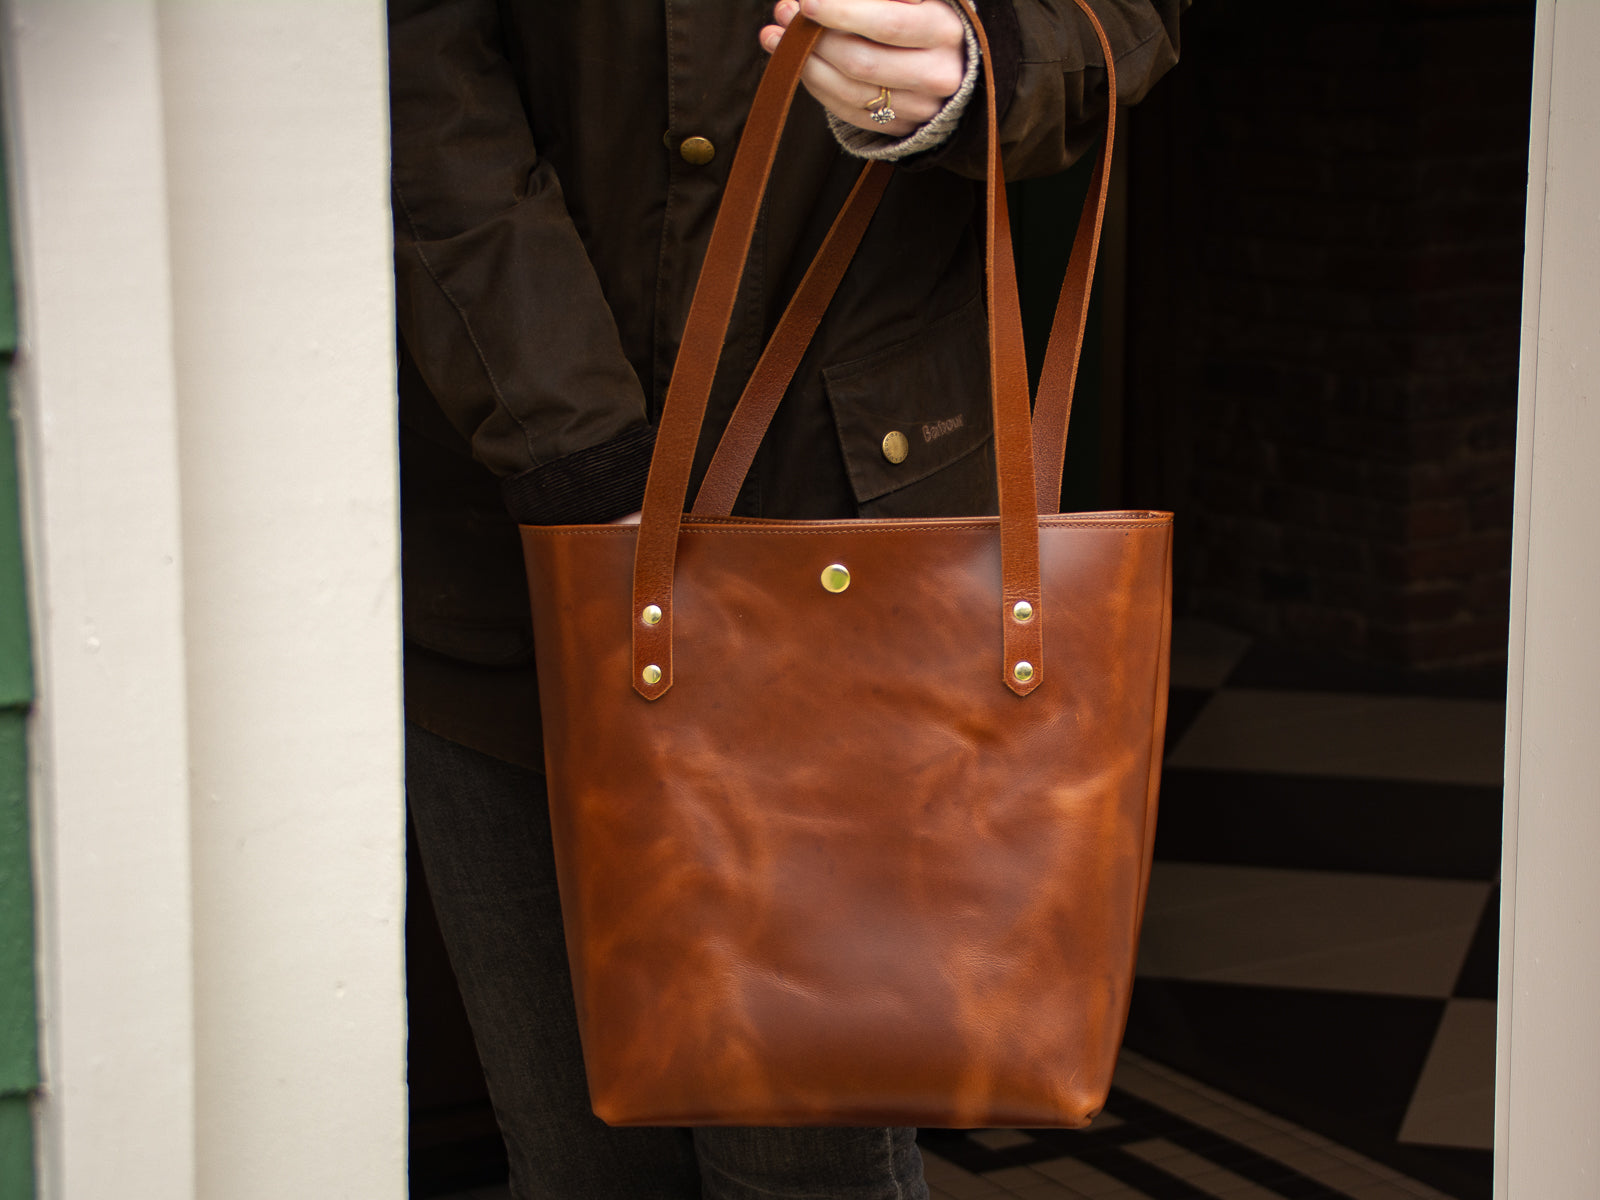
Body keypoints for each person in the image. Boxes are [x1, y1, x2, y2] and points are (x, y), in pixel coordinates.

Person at [389, 1, 1183, 1196]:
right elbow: (412, 69)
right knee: (576, 1160)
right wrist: (578, 458)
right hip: (507, 551)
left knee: (802, 1164)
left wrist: (983, 59)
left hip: (845, 554)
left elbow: (1123, 18)